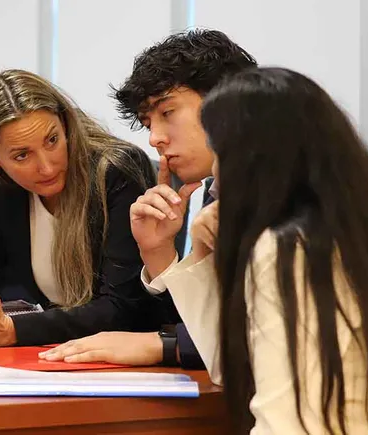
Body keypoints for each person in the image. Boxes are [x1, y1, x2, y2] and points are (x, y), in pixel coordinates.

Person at [53, 67, 368, 433]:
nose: (155, 139)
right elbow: (230, 364)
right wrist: (198, 254)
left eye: (221, 151)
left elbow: (284, 419)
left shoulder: (288, 248)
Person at [41, 30, 257, 369]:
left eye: (167, 113)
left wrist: (163, 346)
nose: (155, 138)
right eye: (147, 124)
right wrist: (158, 252)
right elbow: (203, 319)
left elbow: (270, 332)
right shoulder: (213, 191)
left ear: (227, 102)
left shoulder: (286, 188)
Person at [0, 69, 158, 346]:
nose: (46, 167)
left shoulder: (115, 171)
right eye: (22, 155)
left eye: (52, 140)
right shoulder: (0, 184)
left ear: (65, 124)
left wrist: (14, 330)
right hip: (57, 350)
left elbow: (122, 307)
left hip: (126, 353)